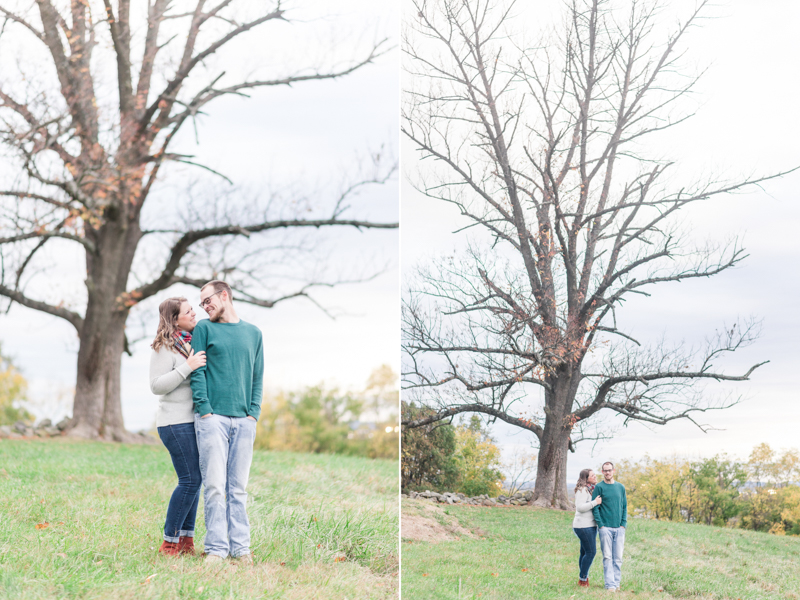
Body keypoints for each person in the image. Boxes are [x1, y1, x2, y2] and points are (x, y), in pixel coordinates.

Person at [190, 280, 264, 564]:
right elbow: (197, 371)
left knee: (238, 489)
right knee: (215, 487)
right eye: (201, 304)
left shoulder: (254, 333)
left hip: (244, 421)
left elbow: (258, 376)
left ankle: (241, 548)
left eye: (208, 301)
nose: (205, 307)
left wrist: (253, 413)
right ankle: (216, 549)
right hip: (213, 419)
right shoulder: (204, 329)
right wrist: (205, 409)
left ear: (224, 295)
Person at [150, 296, 207, 556]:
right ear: (175, 319)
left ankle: (186, 542)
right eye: (188, 311)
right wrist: (187, 367)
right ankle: (169, 543)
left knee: (194, 480)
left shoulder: (190, 343)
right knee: (190, 480)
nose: (194, 313)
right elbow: (156, 385)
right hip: (174, 422)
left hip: (191, 421)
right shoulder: (165, 347)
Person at [592, 461, 627, 592]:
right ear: (602, 472)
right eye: (605, 470)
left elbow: (624, 506)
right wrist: (601, 525)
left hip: (619, 528)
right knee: (607, 557)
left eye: (609, 470)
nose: (607, 472)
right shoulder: (599, 487)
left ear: (614, 471)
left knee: (618, 558)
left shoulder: (620, 487)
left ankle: (617, 583)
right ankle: (610, 585)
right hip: (605, 528)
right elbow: (595, 507)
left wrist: (623, 524)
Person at [573, 468, 602, 587]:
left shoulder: (591, 490)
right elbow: (580, 507)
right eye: (592, 476)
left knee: (584, 552)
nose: (595, 477)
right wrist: (595, 502)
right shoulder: (583, 490)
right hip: (583, 526)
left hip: (590, 525)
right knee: (591, 552)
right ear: (586, 478)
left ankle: (583, 577)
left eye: (595, 475)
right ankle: (583, 579)